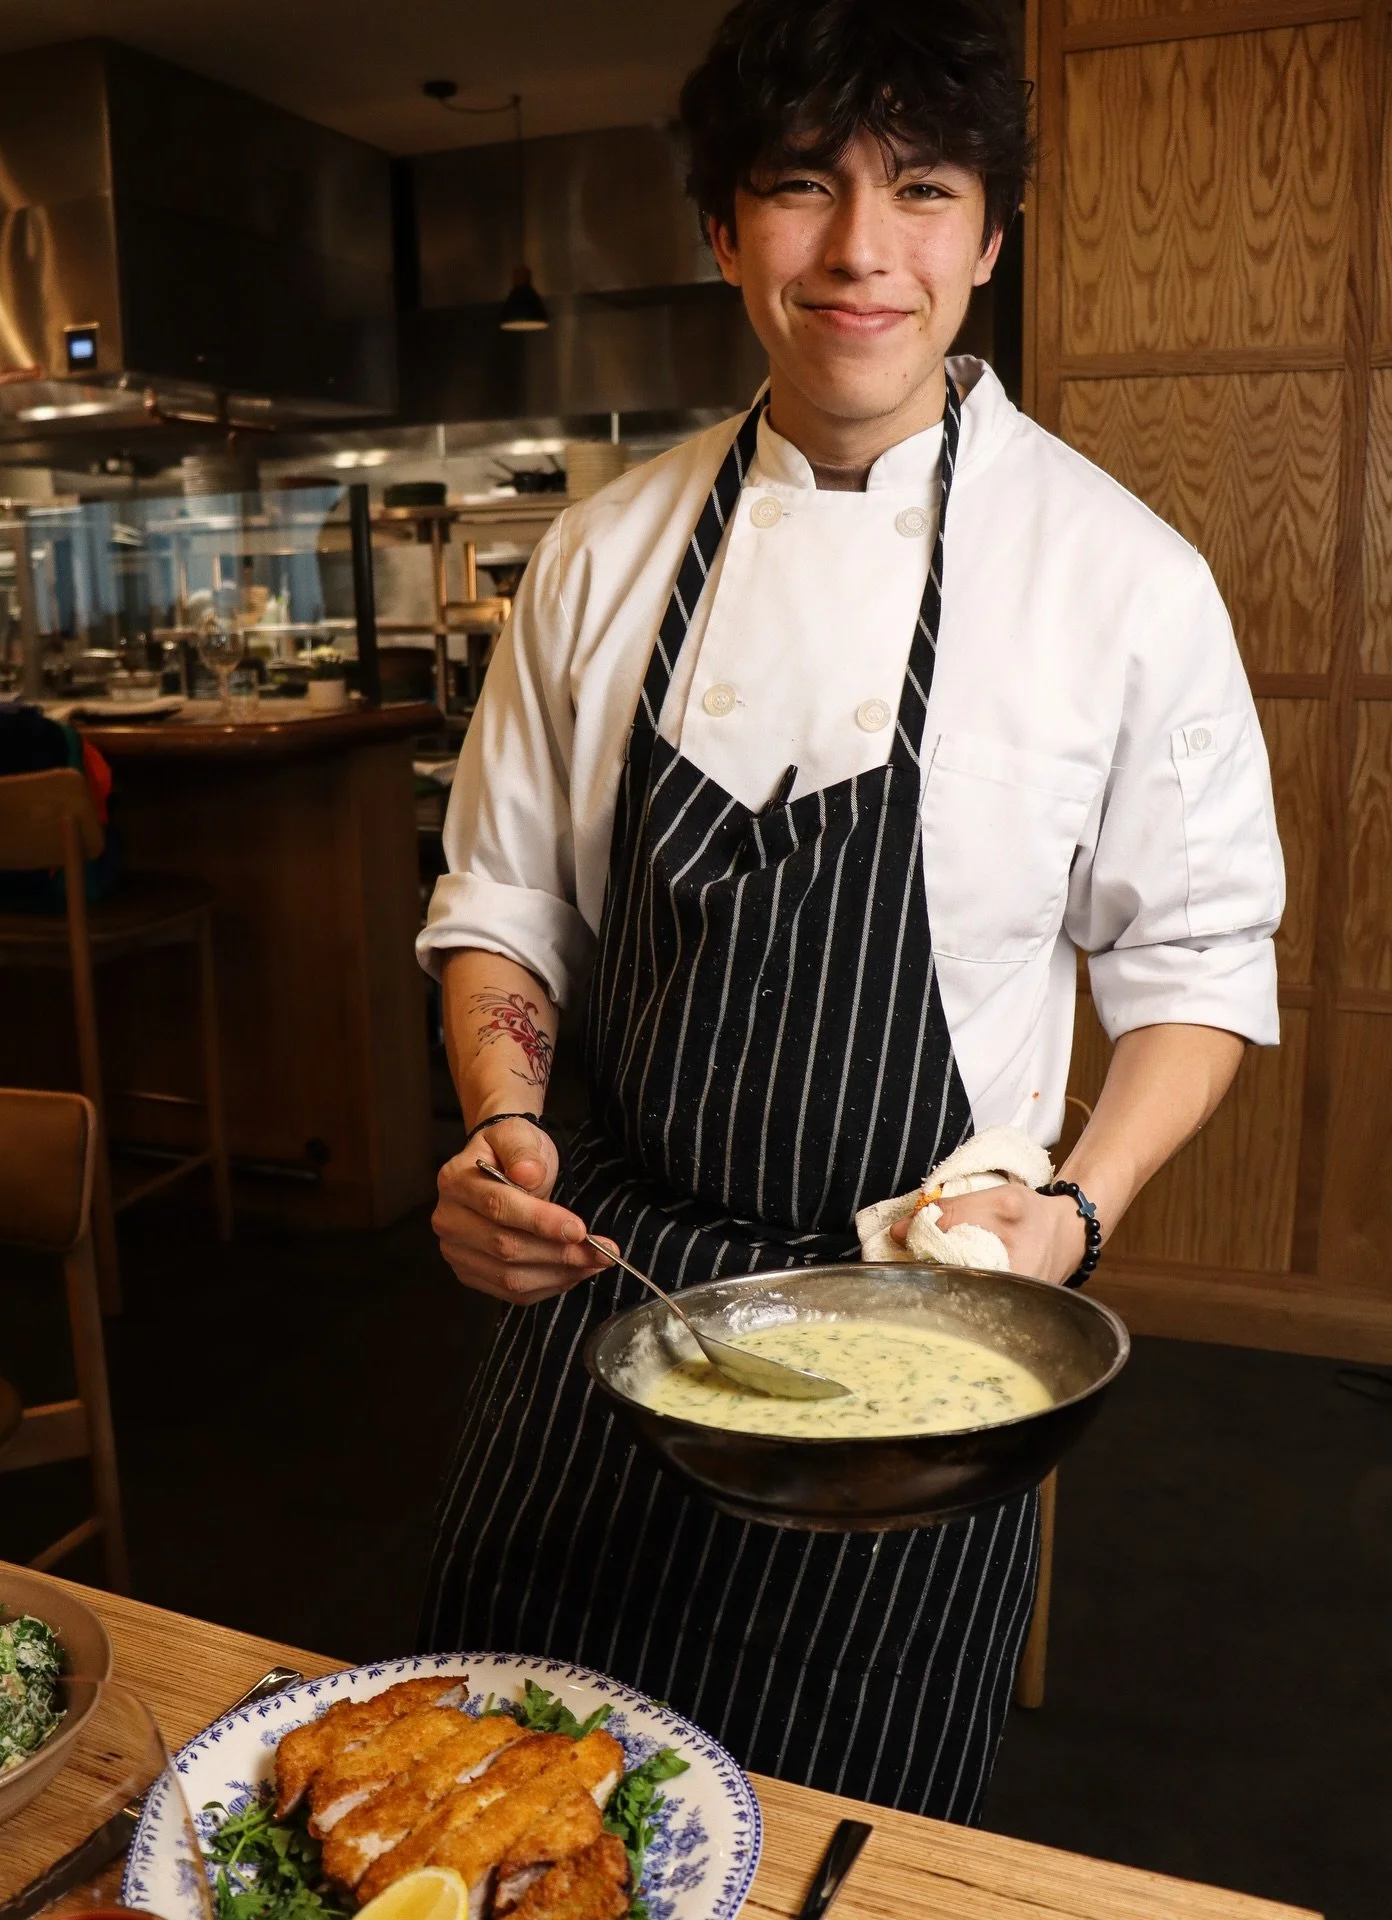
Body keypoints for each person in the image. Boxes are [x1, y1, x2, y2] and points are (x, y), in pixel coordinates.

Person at [415, 0, 1283, 1819]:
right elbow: (501, 898)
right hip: (606, 1304)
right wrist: (504, 1127)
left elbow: (1197, 968)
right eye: (803, 188)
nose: (860, 250)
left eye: (923, 191)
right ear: (727, 232)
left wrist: (1071, 1210)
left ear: (989, 237)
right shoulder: (597, 553)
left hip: (922, 1327)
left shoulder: (1120, 577)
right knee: (481, 1793)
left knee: (846, 1838)